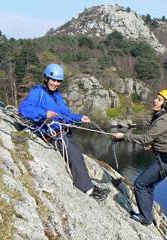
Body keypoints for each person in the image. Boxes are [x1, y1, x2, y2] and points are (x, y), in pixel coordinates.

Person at [19, 63, 109, 201]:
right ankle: (88, 189)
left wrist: (79, 118)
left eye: (58, 81)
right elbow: (24, 109)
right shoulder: (38, 93)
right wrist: (44, 113)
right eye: (53, 80)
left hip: (63, 131)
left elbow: (66, 115)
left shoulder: (57, 96)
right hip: (51, 134)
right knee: (75, 155)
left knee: (77, 154)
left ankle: (86, 182)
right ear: (46, 78)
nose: (55, 83)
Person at [114, 89, 167, 225]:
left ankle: (145, 218)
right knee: (148, 186)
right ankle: (147, 215)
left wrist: (124, 136)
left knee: (140, 184)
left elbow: (145, 138)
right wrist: (153, 145)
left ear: (166, 105)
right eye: (156, 98)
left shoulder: (164, 120)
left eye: (159, 99)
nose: (155, 101)